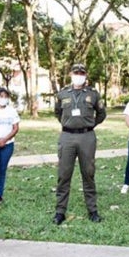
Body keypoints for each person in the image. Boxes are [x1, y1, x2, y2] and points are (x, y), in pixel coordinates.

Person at [53, 63, 106, 224]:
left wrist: (89, 124)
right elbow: (58, 112)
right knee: (64, 175)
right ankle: (60, 212)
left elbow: (101, 114)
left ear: (85, 75)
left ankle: (92, 211)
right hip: (67, 136)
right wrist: (69, 123)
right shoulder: (62, 93)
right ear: (71, 74)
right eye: (76, 73)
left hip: (86, 137)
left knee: (88, 174)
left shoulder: (93, 94)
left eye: (81, 73)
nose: (79, 76)